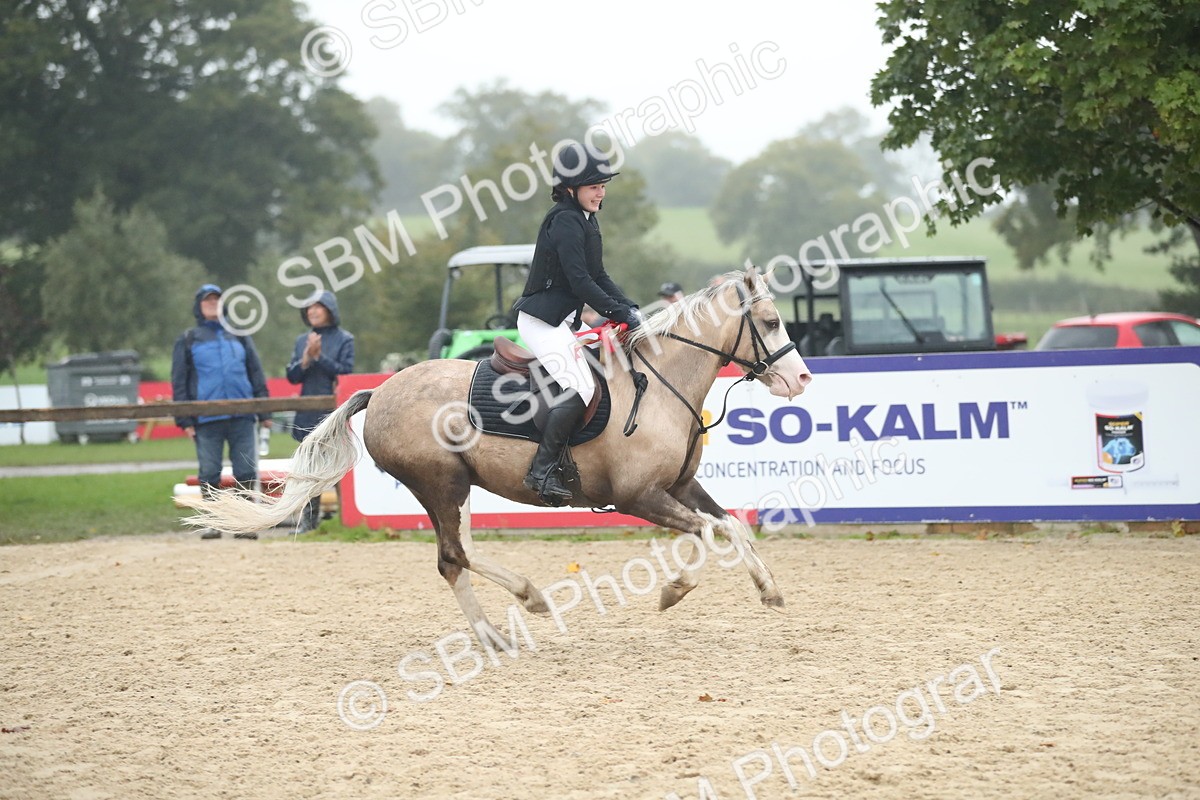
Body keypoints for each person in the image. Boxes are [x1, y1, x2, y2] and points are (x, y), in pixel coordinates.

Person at [511, 141, 642, 506]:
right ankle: (541, 469)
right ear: (571, 188)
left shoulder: (586, 219)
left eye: (603, 185)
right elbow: (581, 281)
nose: (601, 191)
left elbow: (599, 274)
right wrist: (618, 313)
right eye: (594, 185)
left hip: (562, 323)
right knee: (582, 387)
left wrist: (631, 308)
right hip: (541, 323)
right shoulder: (565, 221)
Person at [171, 283, 272, 540]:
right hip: (206, 418)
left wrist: (264, 410)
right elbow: (179, 381)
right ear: (199, 306)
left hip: (243, 414)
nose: (212, 304)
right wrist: (185, 418)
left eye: (216, 300)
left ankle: (244, 523)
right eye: (207, 301)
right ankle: (213, 522)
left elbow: (256, 373)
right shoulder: (188, 339)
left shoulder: (239, 335)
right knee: (209, 472)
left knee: (246, 471)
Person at [285, 290, 355, 532]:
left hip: (334, 412)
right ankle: (308, 522)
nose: (312, 311)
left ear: (329, 309)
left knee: (337, 466)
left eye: (318, 306)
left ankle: (345, 518)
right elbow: (293, 376)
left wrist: (319, 357)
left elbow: (345, 373)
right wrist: (306, 358)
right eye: (308, 308)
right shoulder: (301, 340)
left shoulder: (345, 339)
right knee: (309, 469)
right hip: (307, 411)